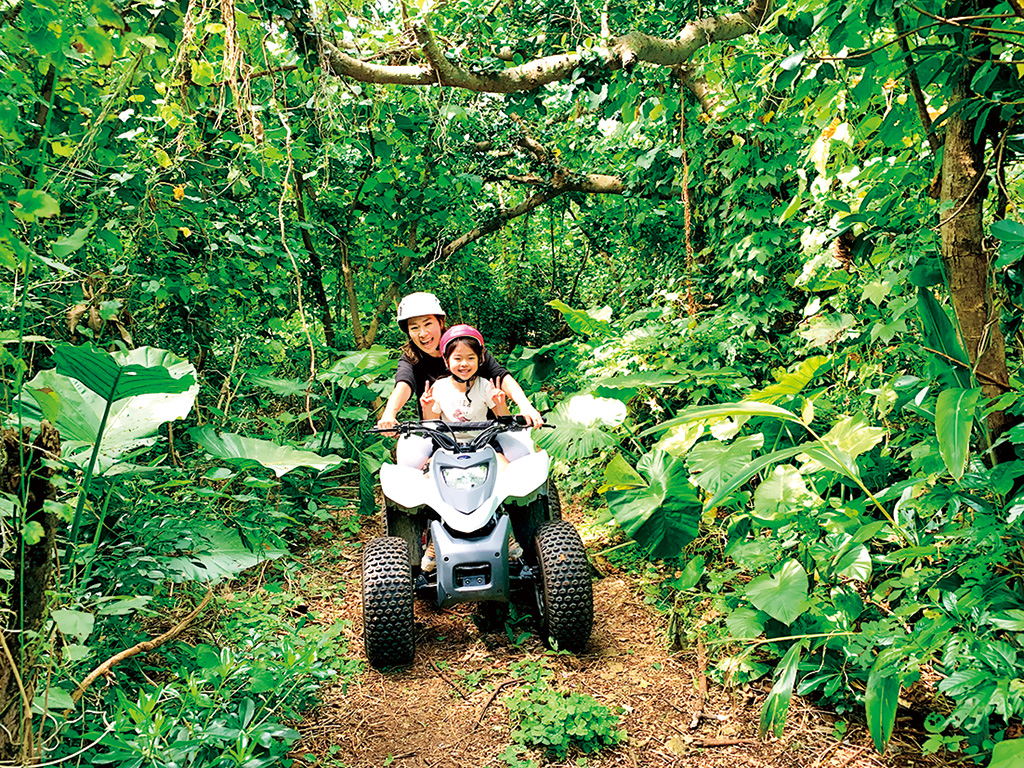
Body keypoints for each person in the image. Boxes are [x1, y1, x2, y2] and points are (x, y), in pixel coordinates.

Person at [376, 292, 543, 468]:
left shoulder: (466, 345)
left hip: (486, 434)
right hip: (441, 437)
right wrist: (389, 415)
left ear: (441, 322)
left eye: (428, 324)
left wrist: (526, 407)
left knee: (521, 459)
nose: (423, 333)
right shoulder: (412, 359)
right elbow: (404, 384)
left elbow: (500, 376)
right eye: (414, 328)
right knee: (411, 466)